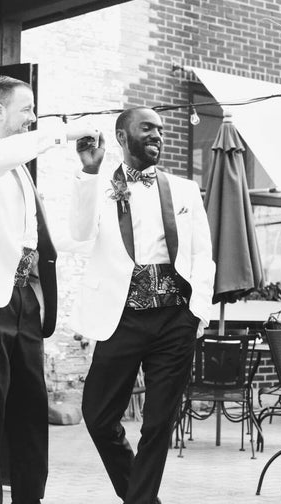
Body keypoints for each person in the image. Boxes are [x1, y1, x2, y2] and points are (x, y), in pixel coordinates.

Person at [0, 75, 98, 504]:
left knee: (31, 412)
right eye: (27, 109)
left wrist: (89, 174)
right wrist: (61, 133)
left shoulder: (19, 170)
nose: (33, 118)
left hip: (25, 300)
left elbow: (49, 238)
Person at [69, 106, 215, 504]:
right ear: (121, 137)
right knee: (98, 417)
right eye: (147, 128)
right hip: (122, 318)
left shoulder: (184, 189)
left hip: (175, 319)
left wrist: (196, 312)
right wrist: (88, 172)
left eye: (161, 129)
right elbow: (79, 236)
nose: (157, 135)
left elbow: (203, 254)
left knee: (157, 424)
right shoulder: (97, 185)